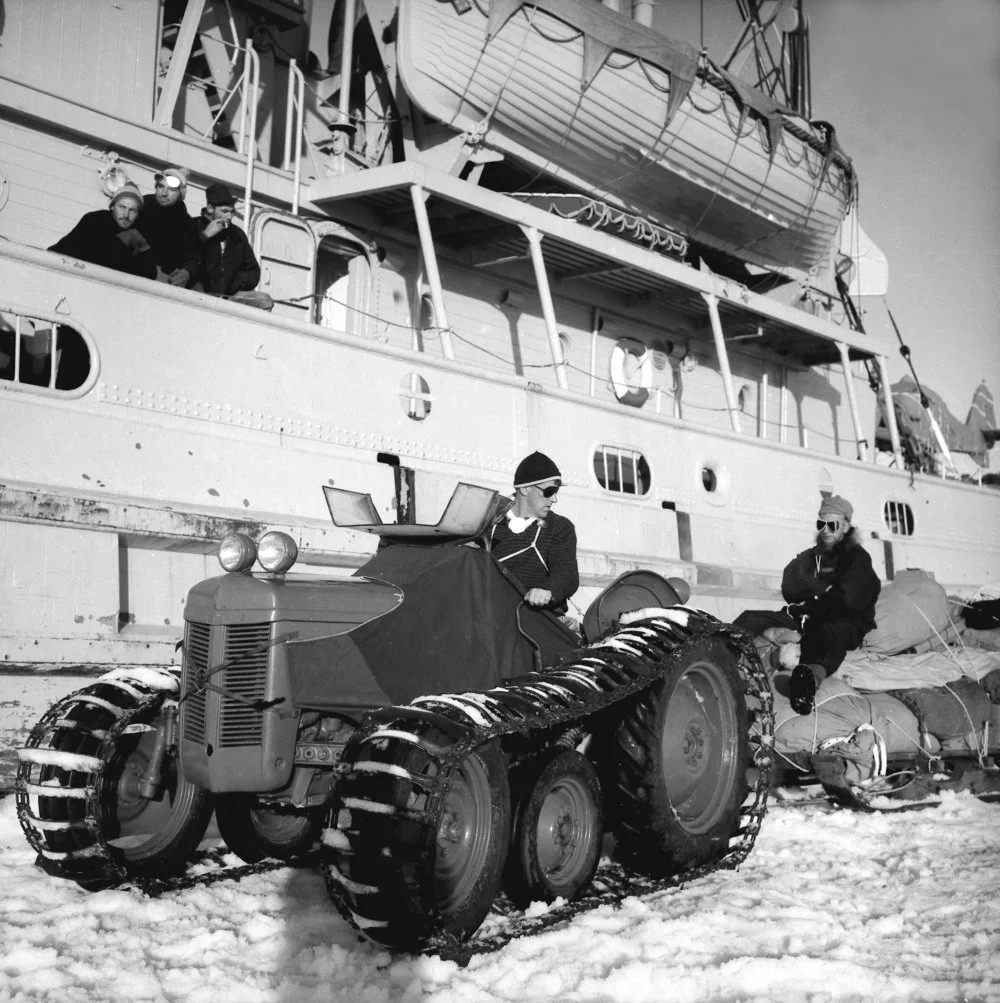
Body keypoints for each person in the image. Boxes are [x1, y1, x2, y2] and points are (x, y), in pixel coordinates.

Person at [734, 494, 881, 715]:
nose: (826, 530)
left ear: (846, 527)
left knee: (826, 634)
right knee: (751, 618)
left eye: (833, 525)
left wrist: (813, 596)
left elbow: (847, 600)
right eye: (821, 524)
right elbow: (790, 589)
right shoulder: (813, 556)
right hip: (805, 615)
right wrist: (814, 590)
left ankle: (807, 683)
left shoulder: (858, 559)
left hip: (844, 621)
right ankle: (723, 661)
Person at [489, 451, 579, 615]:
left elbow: (566, 573)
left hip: (537, 617)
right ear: (524, 489)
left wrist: (547, 591)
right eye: (549, 491)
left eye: (556, 492)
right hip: (491, 614)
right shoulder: (488, 521)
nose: (554, 499)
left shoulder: (559, 527)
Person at [48, 183, 157, 279]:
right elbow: (99, 258)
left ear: (138, 215)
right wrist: (123, 241)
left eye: (132, 210)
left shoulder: (139, 235)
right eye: (122, 207)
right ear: (112, 206)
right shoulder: (95, 220)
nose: (126, 215)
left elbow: (150, 273)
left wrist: (142, 246)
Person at [195, 182, 272, 309]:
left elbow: (253, 272)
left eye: (232, 212)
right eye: (224, 211)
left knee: (264, 301)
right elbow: (186, 259)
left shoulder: (237, 235)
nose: (229, 217)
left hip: (230, 297)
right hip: (200, 294)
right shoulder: (194, 226)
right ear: (210, 208)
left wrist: (235, 281)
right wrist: (205, 236)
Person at [141, 166, 201, 287]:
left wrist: (187, 272)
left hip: (169, 282)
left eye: (172, 189)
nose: (164, 193)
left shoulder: (187, 223)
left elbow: (193, 256)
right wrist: (151, 269)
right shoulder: (140, 208)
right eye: (161, 186)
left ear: (181, 195)